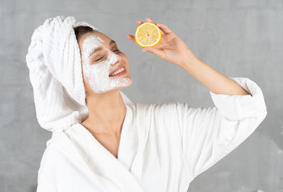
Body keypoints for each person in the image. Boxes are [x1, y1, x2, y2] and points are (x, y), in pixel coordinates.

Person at [26, 16, 267, 192]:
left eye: (115, 49)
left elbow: (247, 111)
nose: (116, 58)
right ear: (74, 79)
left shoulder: (169, 125)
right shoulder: (64, 152)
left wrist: (187, 60)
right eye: (99, 57)